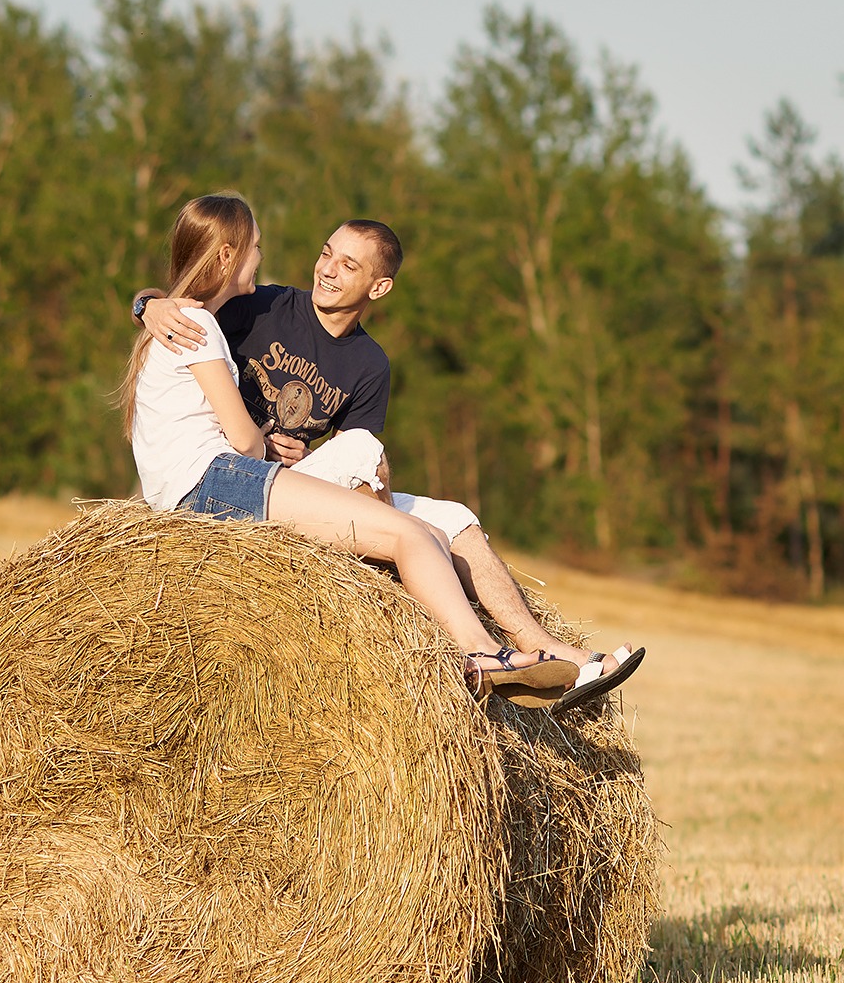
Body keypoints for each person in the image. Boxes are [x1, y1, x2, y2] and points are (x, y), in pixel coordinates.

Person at [134, 217, 643, 709]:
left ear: (378, 289)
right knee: (371, 462)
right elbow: (189, 303)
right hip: (239, 473)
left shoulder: (369, 364)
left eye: (348, 265)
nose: (327, 270)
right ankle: (407, 585)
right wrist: (146, 305)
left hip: (287, 476)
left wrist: (305, 457)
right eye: (326, 254)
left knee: (457, 520)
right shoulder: (263, 305)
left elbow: (351, 471)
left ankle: (551, 652)